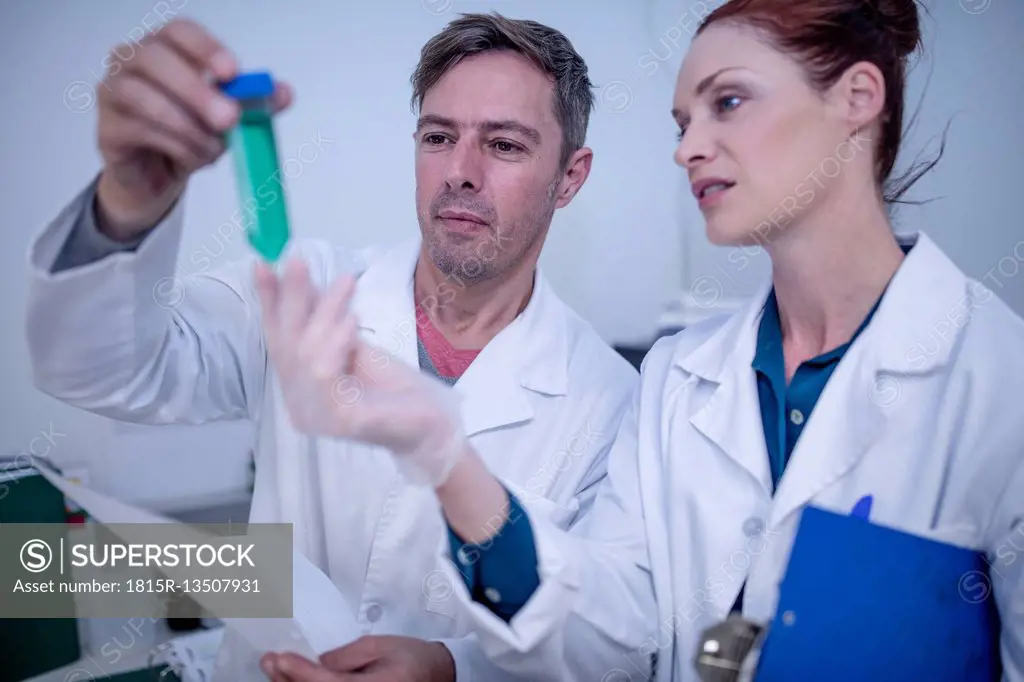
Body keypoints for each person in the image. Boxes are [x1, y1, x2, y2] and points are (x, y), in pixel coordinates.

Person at [255, 0, 1024, 680]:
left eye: (728, 103)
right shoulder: (679, 377)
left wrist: (453, 662)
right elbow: (619, 639)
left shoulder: (998, 383)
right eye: (683, 123)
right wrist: (450, 463)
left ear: (858, 98)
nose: (687, 149)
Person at [23, 11, 640, 681]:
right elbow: (99, 370)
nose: (460, 171)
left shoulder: (607, 398)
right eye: (439, 136)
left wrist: (451, 668)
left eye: (505, 145)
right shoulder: (307, 289)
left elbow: (611, 644)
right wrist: (127, 202)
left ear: (570, 176)